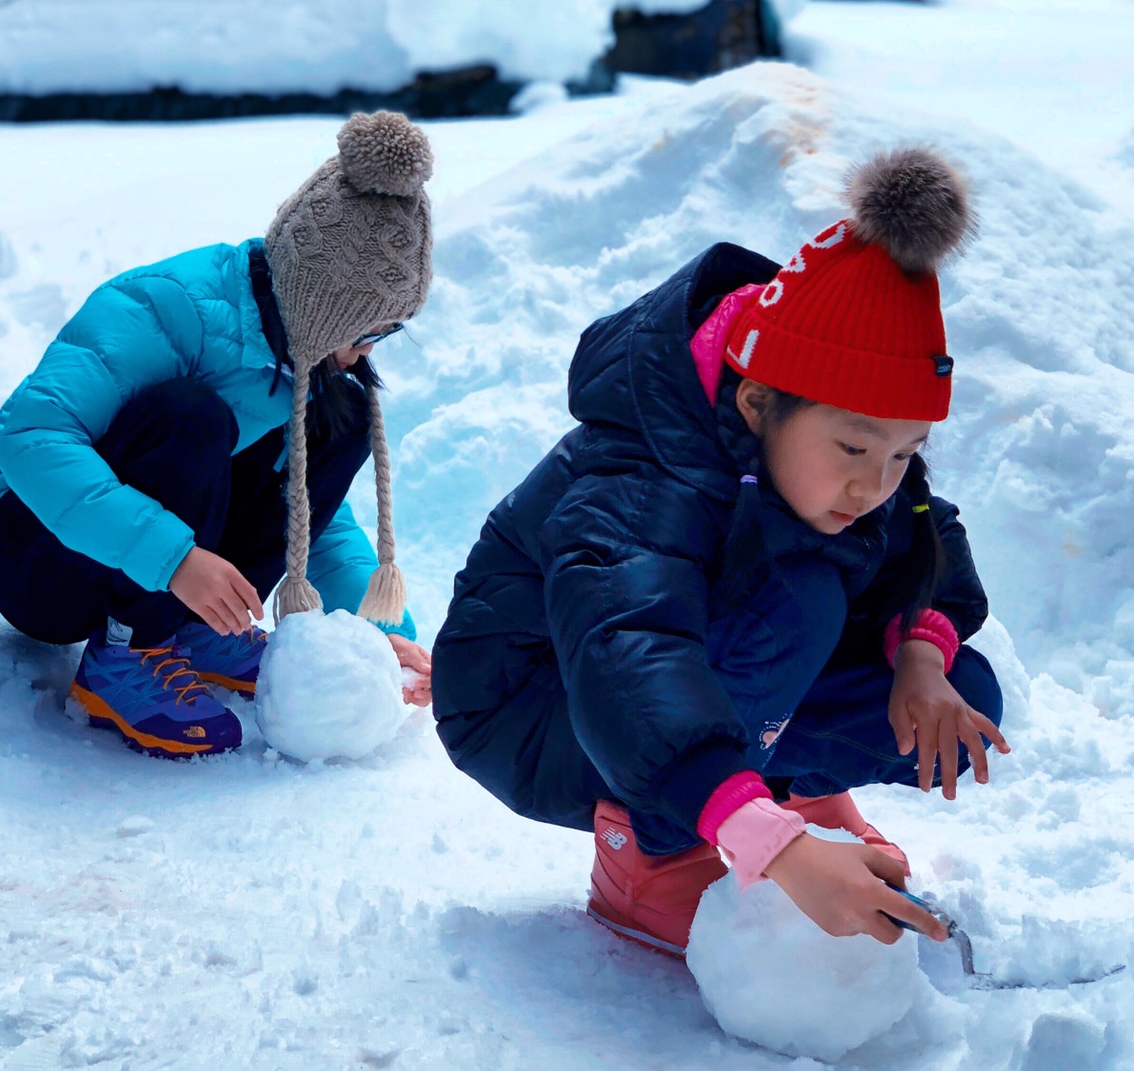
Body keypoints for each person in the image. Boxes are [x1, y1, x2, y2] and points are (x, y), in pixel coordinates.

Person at [432, 146, 1008, 956]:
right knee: (799, 601)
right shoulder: (639, 478)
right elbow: (631, 653)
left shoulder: (834, 467)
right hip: (542, 701)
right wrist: (775, 849)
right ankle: (655, 854)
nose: (876, 484)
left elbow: (925, 532)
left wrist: (920, 654)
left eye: (904, 453)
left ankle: (768, 793)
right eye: (853, 449)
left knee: (959, 691)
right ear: (757, 400)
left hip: (695, 680)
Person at [0, 110, 437, 760]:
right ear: (322, 305)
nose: (367, 351)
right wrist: (173, 559)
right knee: (192, 416)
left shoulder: (295, 352)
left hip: (128, 555)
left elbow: (305, 508)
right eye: (370, 331)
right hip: (34, 559)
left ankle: (194, 631)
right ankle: (130, 651)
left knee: (337, 423)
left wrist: (376, 633)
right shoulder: (165, 308)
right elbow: (33, 444)